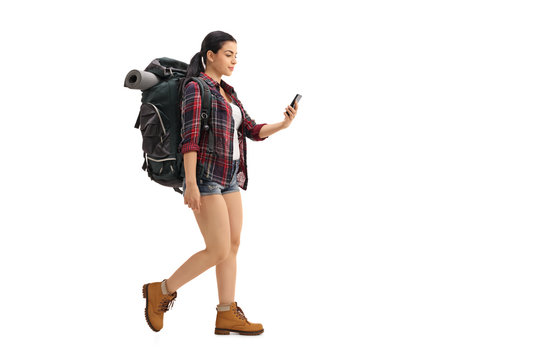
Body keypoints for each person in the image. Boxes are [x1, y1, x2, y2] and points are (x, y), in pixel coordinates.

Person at [142, 30, 299, 336]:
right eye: (228, 54)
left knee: (232, 246)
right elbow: (190, 138)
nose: (234, 61)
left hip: (229, 176)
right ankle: (161, 290)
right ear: (210, 55)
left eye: (236, 56)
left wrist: (284, 123)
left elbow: (251, 129)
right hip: (204, 177)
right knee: (217, 248)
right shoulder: (195, 87)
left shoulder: (228, 91)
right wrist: (190, 183)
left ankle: (226, 312)